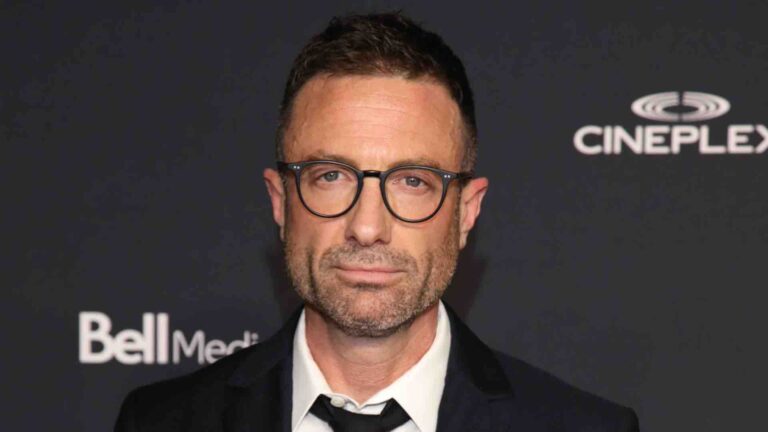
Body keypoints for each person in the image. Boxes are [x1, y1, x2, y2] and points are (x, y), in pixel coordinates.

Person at [115, 12, 639, 432]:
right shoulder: (162, 422)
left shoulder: (583, 427)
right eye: (331, 176)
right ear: (280, 201)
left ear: (466, 212)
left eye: (413, 181)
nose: (367, 228)